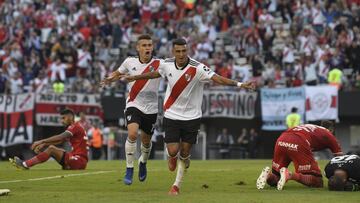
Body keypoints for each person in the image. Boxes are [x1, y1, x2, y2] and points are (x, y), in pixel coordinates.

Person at [125, 38, 255, 195]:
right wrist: (136, 77)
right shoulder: (166, 64)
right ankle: (172, 157)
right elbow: (155, 73)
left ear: (188, 51)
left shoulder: (198, 68)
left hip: (192, 117)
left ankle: (176, 186)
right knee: (173, 151)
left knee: (185, 153)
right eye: (178, 51)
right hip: (172, 114)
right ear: (173, 51)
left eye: (184, 51)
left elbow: (218, 78)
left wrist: (240, 84)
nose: (181, 54)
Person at [100, 34, 161, 185]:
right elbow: (118, 73)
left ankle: (143, 163)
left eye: (149, 45)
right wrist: (110, 78)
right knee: (133, 134)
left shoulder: (160, 64)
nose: (148, 48)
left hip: (151, 107)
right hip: (134, 103)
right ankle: (129, 168)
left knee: (146, 141)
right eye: (144, 45)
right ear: (138, 48)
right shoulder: (129, 62)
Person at [256, 121, 342, 191]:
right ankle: (290, 175)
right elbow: (340, 159)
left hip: (282, 139)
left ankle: (268, 175)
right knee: (317, 181)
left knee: (275, 179)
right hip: (298, 141)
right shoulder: (329, 135)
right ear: (331, 130)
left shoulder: (312, 127)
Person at [9, 109, 88, 170]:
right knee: (51, 149)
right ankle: (68, 165)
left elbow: (60, 137)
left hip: (79, 160)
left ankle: (25, 164)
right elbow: (61, 141)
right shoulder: (76, 126)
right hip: (76, 159)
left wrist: (41, 141)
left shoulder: (74, 126)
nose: (62, 121)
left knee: (51, 149)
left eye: (63, 118)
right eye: (61, 118)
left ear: (70, 117)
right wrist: (44, 144)